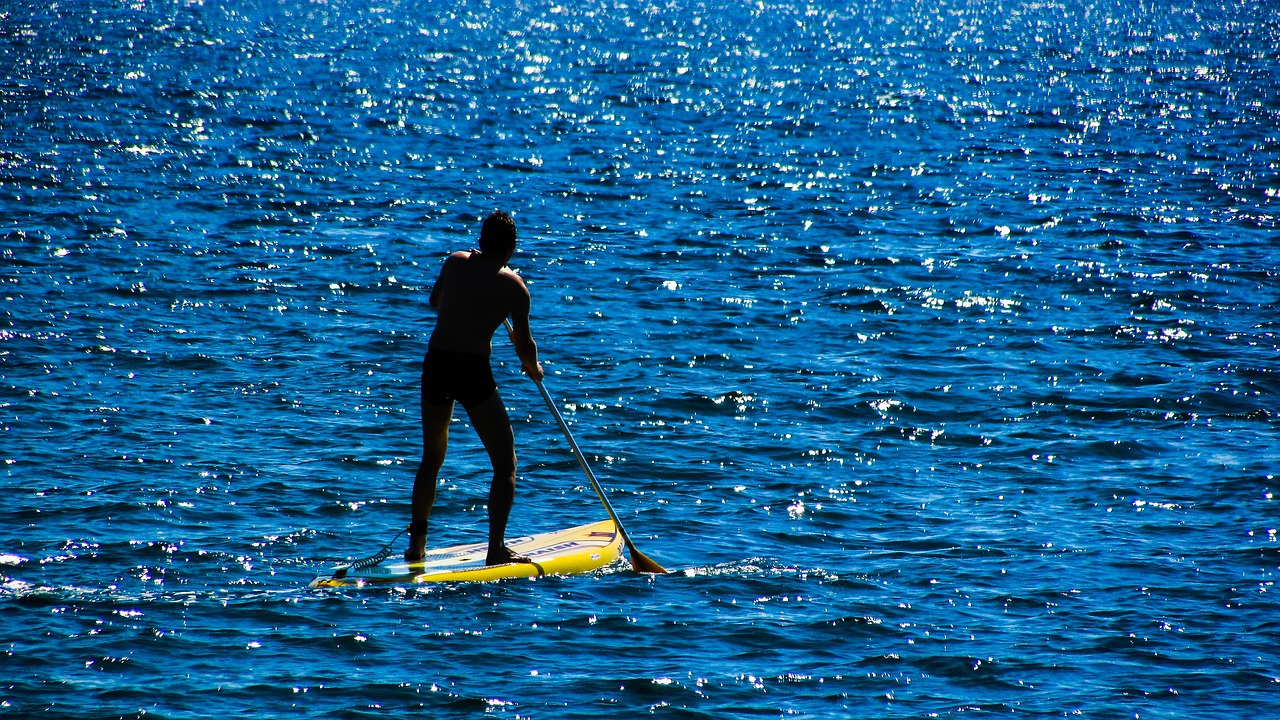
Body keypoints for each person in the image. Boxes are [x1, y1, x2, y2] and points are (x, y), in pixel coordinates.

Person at [405, 210, 544, 565]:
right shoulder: (514, 287)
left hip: (436, 363)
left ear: (481, 242)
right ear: (512, 248)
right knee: (505, 461)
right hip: (471, 370)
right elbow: (525, 346)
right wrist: (534, 368)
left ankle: (416, 547)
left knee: (431, 458)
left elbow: (435, 301)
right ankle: (495, 549)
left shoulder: (455, 261)